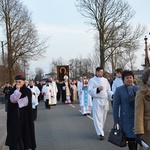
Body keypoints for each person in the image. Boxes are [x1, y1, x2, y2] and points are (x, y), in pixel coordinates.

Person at [5, 74, 36, 150]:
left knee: (25, 134)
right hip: (14, 117)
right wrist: (17, 92)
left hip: (24, 117)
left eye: (20, 82)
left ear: (23, 82)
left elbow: (24, 103)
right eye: (17, 82)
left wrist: (16, 100)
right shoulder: (12, 91)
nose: (18, 83)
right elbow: (12, 101)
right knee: (15, 135)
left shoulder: (27, 91)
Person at [113, 70, 140, 150]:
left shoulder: (138, 89)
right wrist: (116, 119)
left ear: (133, 79)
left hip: (137, 118)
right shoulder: (119, 90)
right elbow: (115, 106)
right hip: (126, 119)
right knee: (130, 139)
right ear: (123, 80)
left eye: (130, 78)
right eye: (127, 78)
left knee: (139, 139)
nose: (129, 79)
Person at [88, 67, 113, 140]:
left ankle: (101, 129)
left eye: (101, 72)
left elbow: (108, 90)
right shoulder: (92, 80)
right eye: (99, 72)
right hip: (97, 100)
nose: (100, 73)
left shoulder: (105, 80)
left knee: (103, 117)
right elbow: (90, 91)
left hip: (105, 100)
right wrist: (97, 89)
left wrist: (112, 95)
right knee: (97, 117)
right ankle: (100, 133)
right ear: (96, 72)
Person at [134, 68, 150, 150]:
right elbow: (138, 114)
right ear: (146, 79)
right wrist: (139, 132)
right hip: (147, 130)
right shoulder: (141, 94)